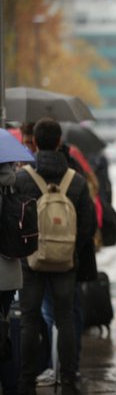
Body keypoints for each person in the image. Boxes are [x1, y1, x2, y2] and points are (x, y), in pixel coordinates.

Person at [14, 119, 95, 395]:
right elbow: (87, 224)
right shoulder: (77, 181)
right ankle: (69, 381)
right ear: (60, 142)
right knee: (66, 318)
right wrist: (71, 249)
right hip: (66, 261)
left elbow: (15, 219)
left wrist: (26, 250)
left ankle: (26, 381)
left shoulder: (22, 178)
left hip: (31, 260)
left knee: (29, 320)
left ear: (34, 143)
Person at [0, 161, 23, 394]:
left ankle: (10, 386)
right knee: (3, 331)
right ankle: (11, 385)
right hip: (10, 272)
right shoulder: (13, 185)